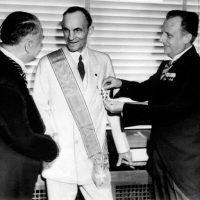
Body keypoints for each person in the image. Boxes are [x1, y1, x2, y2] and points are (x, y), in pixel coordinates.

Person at [33, 6, 132, 200]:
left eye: (77, 30)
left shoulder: (103, 61)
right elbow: (39, 109)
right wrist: (51, 144)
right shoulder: (48, 63)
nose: (70, 36)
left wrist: (123, 147)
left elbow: (111, 107)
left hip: (94, 157)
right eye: (66, 29)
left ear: (90, 30)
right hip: (61, 159)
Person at [103, 10, 200, 200]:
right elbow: (146, 90)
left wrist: (123, 108)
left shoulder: (196, 70)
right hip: (160, 160)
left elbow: (173, 112)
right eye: (162, 33)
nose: (162, 39)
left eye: (168, 35)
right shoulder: (169, 65)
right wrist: (120, 83)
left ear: (188, 37)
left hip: (183, 166)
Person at [0, 11, 59, 200]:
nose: (42, 44)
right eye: (41, 40)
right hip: (8, 177)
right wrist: (51, 147)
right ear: (28, 45)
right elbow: (20, 136)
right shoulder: (5, 77)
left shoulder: (7, 68)